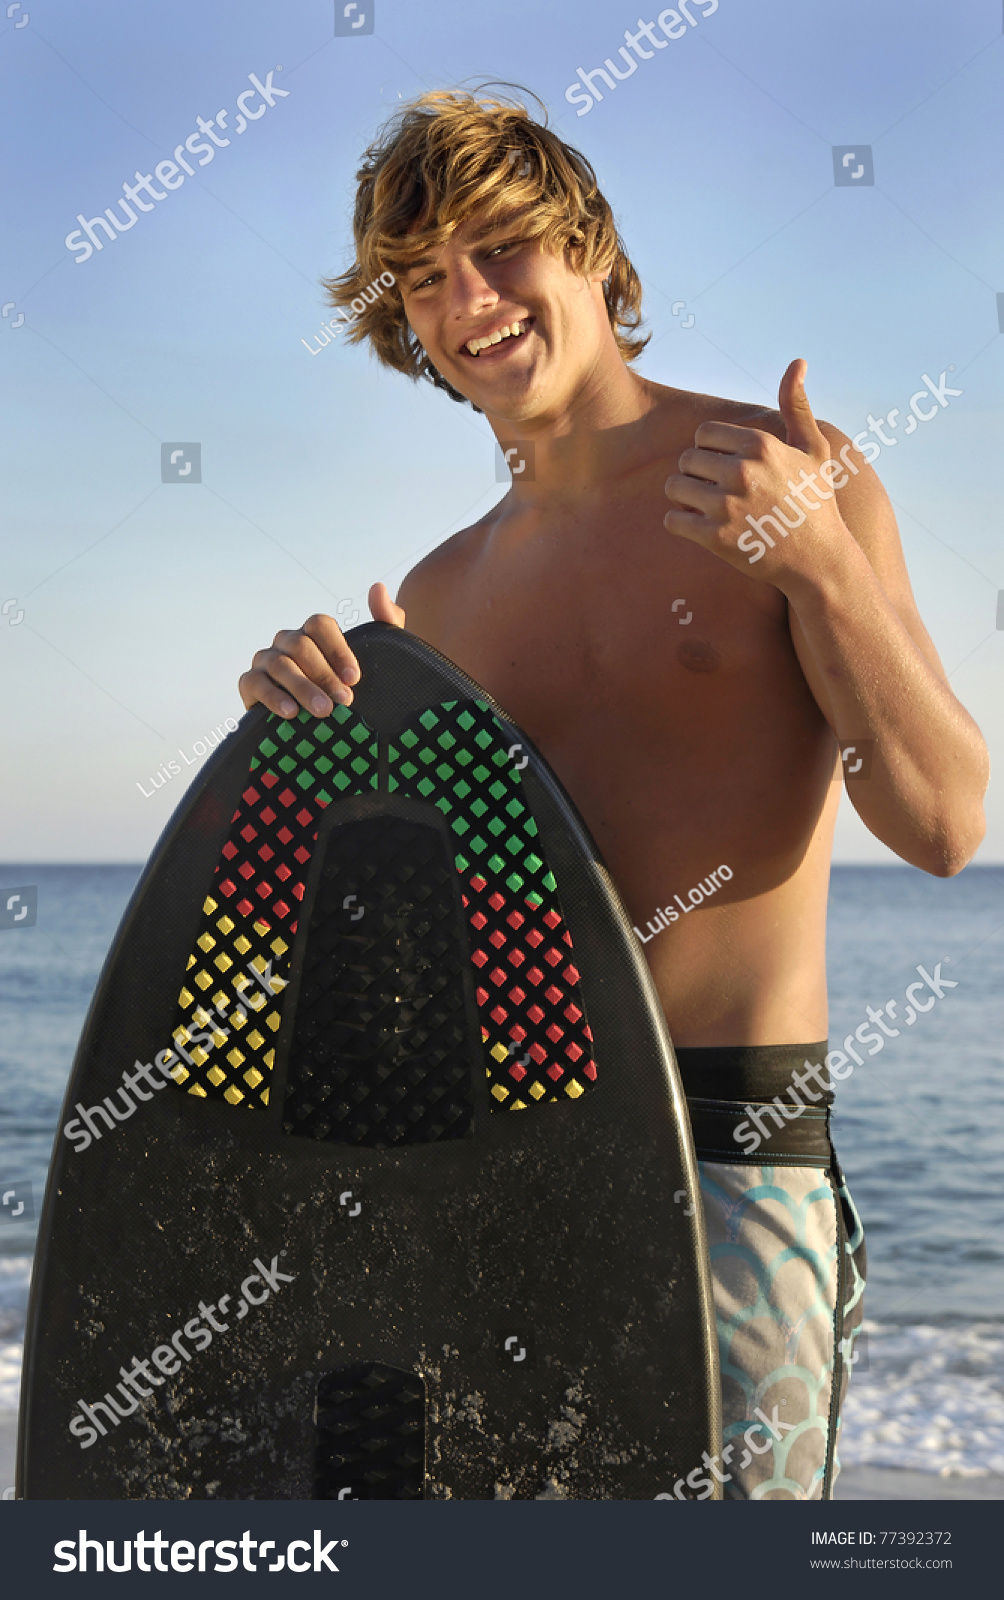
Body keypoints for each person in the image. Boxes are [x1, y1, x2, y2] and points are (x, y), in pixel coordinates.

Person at [238, 89, 988, 1499]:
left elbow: (943, 825)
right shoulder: (445, 594)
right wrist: (315, 739)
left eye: (502, 246)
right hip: (498, 1150)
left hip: (734, 1146)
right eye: (425, 280)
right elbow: (409, 939)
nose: (470, 299)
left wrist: (823, 568)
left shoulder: (782, 475)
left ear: (592, 250)